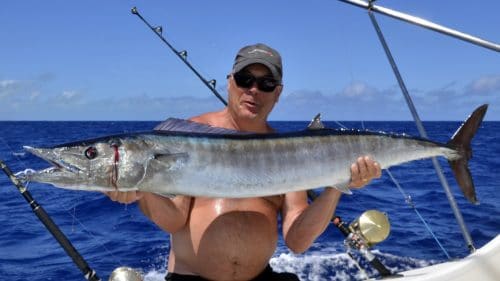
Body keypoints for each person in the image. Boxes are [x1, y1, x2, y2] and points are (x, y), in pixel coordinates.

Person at [106, 43, 381, 281]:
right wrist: (143, 193)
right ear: (229, 81)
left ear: (278, 92)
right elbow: (174, 220)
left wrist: (337, 186)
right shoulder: (186, 136)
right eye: (245, 79)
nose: (254, 90)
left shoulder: (289, 154)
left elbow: (298, 241)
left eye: (266, 84)